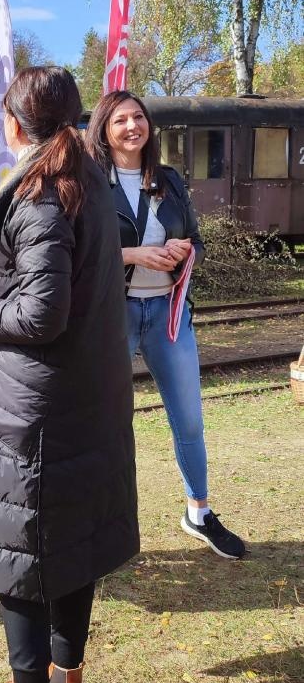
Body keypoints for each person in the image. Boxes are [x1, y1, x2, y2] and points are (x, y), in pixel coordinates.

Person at [0, 66, 139, 683]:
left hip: (36, 407)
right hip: (89, 397)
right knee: (73, 546)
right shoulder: (86, 182)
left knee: (19, 554)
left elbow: (39, 312)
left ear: (15, 125)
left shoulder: (42, 196)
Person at [85, 91, 245, 560]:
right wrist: (131, 255)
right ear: (104, 128)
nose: (132, 126)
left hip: (168, 316)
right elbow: (76, 253)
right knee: (106, 421)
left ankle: (199, 512)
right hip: (116, 314)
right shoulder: (92, 181)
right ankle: (96, 522)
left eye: (139, 117)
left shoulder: (169, 179)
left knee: (190, 419)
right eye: (120, 120)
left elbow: (195, 239)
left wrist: (184, 250)